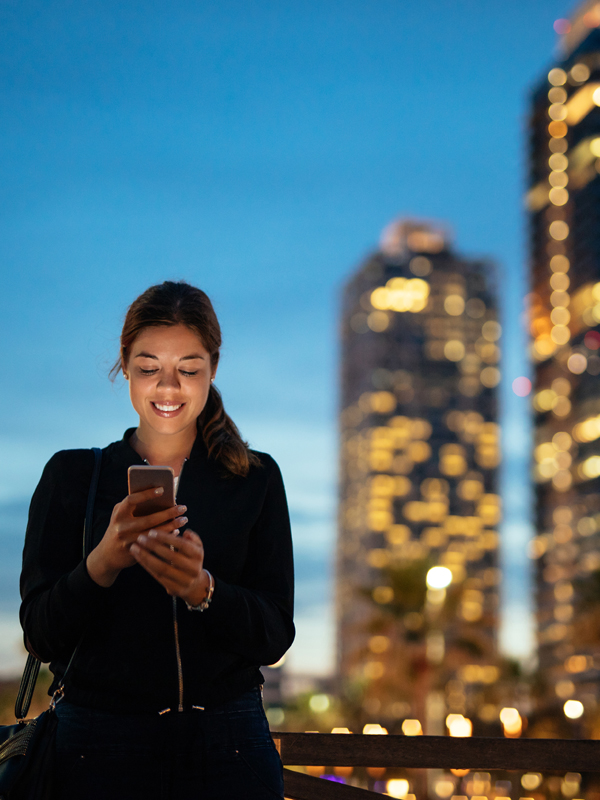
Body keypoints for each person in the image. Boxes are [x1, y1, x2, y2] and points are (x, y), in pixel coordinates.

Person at [19, 280, 295, 800]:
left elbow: (276, 632)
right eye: (148, 368)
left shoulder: (253, 478)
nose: (168, 388)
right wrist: (101, 563)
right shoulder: (73, 476)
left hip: (227, 739)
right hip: (96, 743)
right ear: (124, 365)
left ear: (213, 368)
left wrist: (203, 590)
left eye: (188, 370)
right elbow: (40, 633)